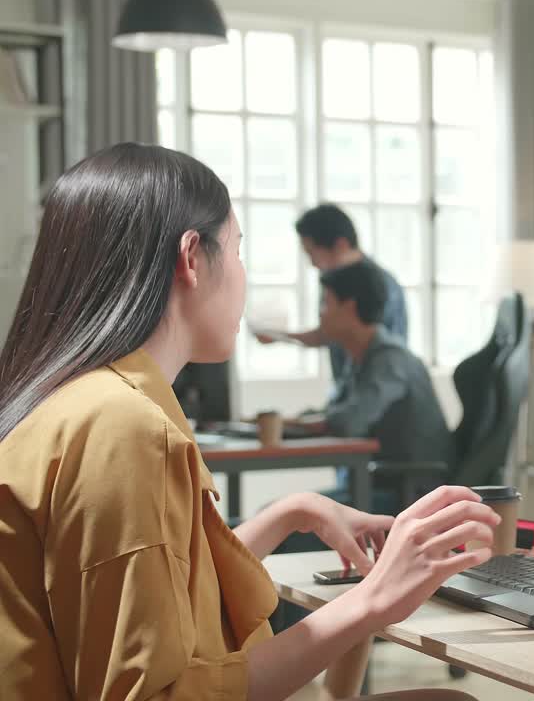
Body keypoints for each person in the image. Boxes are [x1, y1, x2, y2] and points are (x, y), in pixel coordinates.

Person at [0, 143, 497, 701]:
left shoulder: (72, 399)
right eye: (237, 251)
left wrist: (291, 511)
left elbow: (150, 584)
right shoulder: (121, 427)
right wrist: (373, 598)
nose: (242, 277)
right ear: (191, 258)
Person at [299, 261, 455, 512]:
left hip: (409, 497)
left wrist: (310, 423)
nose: (320, 314)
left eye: (325, 303)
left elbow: (351, 422)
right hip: (378, 486)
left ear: (349, 307)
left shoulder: (390, 360)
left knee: (290, 519)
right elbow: (337, 411)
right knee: (280, 513)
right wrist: (301, 421)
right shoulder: (363, 355)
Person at [255, 203, 408, 386]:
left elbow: (386, 360)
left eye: (312, 253)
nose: (312, 263)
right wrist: (280, 336)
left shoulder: (381, 286)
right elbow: (328, 333)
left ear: (340, 245)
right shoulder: (334, 283)